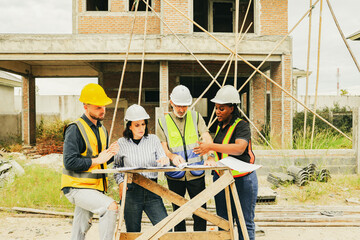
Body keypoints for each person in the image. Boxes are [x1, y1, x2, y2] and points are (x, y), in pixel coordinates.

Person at [194, 85, 258, 240]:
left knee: (245, 221)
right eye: (216, 108)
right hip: (223, 179)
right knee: (223, 221)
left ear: (232, 108)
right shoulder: (220, 125)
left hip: (243, 180)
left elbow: (239, 148)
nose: (217, 112)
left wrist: (210, 146)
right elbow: (222, 151)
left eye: (221, 109)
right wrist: (211, 157)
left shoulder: (241, 125)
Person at [61, 83, 120, 240]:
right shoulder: (75, 129)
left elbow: (101, 161)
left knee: (80, 230)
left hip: (93, 188)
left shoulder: (102, 130)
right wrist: (98, 159)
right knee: (110, 207)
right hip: (76, 187)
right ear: (85, 106)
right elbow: (70, 162)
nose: (102, 110)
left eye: (104, 107)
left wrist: (111, 154)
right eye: (97, 107)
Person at [156, 85, 216, 232]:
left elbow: (206, 136)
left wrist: (211, 155)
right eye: (178, 106)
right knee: (178, 212)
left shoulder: (196, 117)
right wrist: (172, 156)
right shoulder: (162, 122)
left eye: (185, 106)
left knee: (200, 211)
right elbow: (163, 148)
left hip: (196, 173)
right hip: (175, 175)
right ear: (171, 102)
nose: (182, 109)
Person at [114, 104, 169, 232]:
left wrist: (164, 161)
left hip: (152, 189)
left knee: (165, 228)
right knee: (133, 232)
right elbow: (116, 167)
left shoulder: (154, 140)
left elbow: (163, 160)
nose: (141, 128)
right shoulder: (121, 143)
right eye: (137, 125)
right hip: (131, 191)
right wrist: (121, 183)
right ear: (129, 126)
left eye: (143, 124)